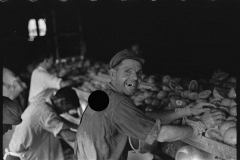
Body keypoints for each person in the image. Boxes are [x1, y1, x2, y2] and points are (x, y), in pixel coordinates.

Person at [75, 49, 225, 160]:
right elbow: (160, 134)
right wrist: (200, 125)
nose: (135, 77)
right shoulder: (118, 103)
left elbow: (144, 118)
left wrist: (186, 112)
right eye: (127, 71)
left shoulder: (108, 95)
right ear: (113, 74)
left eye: (139, 73)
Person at [8, 87, 80, 160]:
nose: (65, 112)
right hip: (19, 157)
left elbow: (59, 120)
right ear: (62, 102)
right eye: (67, 109)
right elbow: (68, 136)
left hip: (19, 153)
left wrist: (78, 126)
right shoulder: (46, 113)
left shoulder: (42, 102)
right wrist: (87, 136)